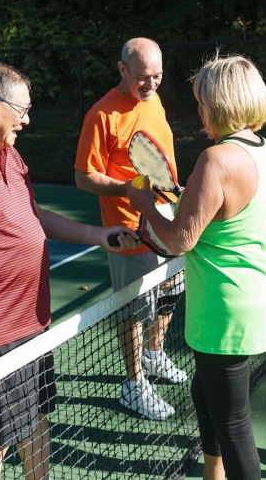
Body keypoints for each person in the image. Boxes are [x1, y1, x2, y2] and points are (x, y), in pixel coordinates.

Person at [0, 61, 136, 480]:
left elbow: (33, 215)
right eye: (21, 109)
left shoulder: (10, 154)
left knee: (35, 421)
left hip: (34, 322)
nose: (27, 120)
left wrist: (97, 234)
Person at [125, 54, 266, 480]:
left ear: (219, 104)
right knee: (205, 391)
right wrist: (195, 200)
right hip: (262, 298)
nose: (199, 110)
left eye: (201, 102)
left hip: (223, 311)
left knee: (234, 424)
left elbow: (179, 240)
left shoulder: (216, 160)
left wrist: (144, 203)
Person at [74, 37, 188, 421]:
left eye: (157, 76)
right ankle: (134, 383)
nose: (150, 84)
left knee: (171, 290)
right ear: (122, 69)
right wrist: (127, 190)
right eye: (142, 77)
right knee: (135, 308)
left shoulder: (153, 99)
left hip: (166, 218)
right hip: (128, 229)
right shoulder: (101, 115)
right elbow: (84, 177)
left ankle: (154, 354)